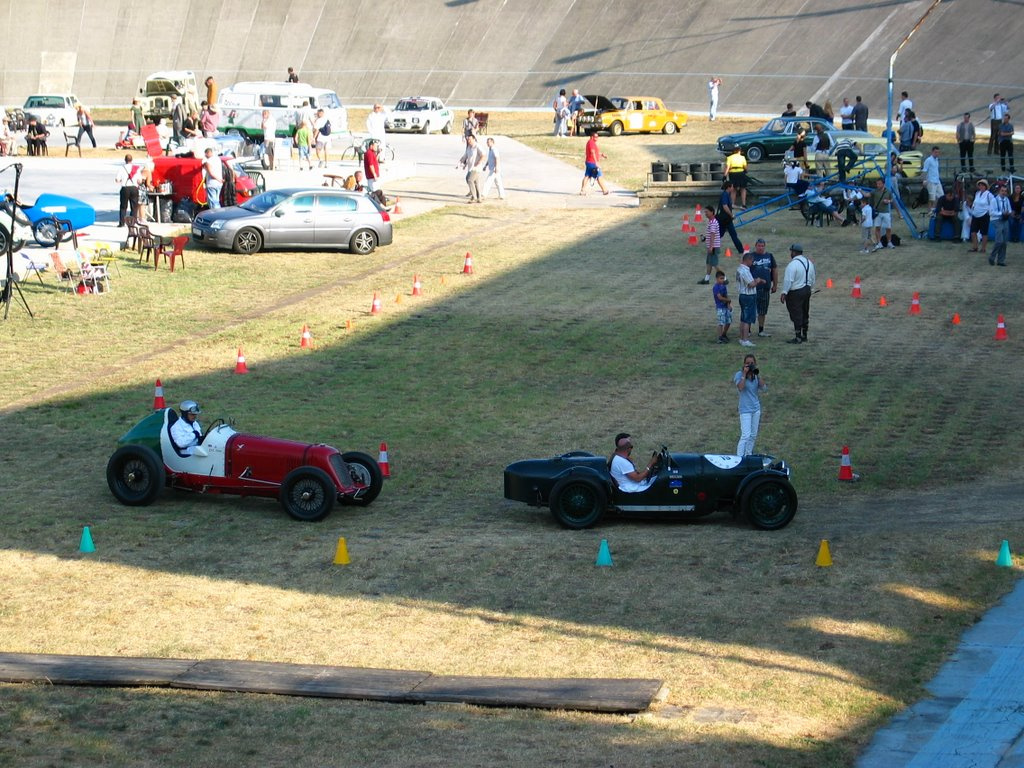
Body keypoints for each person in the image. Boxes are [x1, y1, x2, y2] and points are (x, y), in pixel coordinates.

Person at [779, 243, 815, 344]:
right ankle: (804, 335)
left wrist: (784, 292)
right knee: (805, 312)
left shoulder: (792, 264)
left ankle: (798, 337)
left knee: (796, 314)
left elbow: (788, 280)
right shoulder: (809, 263)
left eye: (791, 251)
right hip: (807, 290)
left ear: (794, 252)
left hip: (796, 292)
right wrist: (810, 288)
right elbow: (812, 278)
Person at [734, 354, 767, 456]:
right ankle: (739, 458)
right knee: (745, 435)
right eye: (747, 363)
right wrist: (744, 375)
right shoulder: (739, 375)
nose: (750, 365)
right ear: (744, 364)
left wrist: (757, 375)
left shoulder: (755, 376)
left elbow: (764, 388)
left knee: (753, 435)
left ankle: (748, 454)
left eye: (752, 363)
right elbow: (740, 387)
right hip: (745, 410)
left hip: (756, 409)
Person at [736, 251, 765, 347]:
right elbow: (751, 284)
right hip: (748, 296)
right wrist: (758, 280)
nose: (752, 263)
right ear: (747, 260)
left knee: (743, 318)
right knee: (747, 319)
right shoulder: (745, 270)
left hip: (742, 295)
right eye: (751, 261)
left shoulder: (739, 269)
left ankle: (741, 338)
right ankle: (745, 339)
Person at [749, 239, 777, 337]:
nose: (760, 248)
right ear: (755, 246)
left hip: (765, 288)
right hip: (752, 289)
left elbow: (774, 270)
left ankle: (761, 330)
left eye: (762, 246)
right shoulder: (751, 256)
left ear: (765, 246)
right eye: (759, 246)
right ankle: (747, 329)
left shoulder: (769, 256)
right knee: (751, 309)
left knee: (763, 310)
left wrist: (775, 284)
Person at [579, 131, 610, 196]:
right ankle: (604, 190)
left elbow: (595, 152)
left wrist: (601, 155)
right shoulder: (591, 143)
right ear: (591, 137)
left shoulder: (590, 142)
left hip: (589, 162)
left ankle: (582, 190)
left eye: (597, 137)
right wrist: (596, 162)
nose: (597, 138)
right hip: (592, 163)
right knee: (599, 176)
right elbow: (592, 152)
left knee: (587, 176)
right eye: (595, 137)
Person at [717, 181, 744, 253]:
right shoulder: (725, 195)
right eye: (732, 186)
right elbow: (725, 206)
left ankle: (711, 244)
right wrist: (731, 215)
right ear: (728, 187)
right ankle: (741, 250)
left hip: (723, 218)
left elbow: (730, 205)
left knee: (720, 234)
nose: (733, 188)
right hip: (725, 219)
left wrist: (739, 208)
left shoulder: (726, 195)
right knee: (733, 235)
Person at [969, 178, 995, 254]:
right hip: (975, 214)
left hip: (984, 215)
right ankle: (975, 246)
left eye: (982, 185)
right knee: (973, 232)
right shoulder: (977, 193)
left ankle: (983, 248)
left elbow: (993, 204)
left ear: (985, 186)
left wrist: (989, 212)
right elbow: (975, 203)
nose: (981, 186)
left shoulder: (989, 195)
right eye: (980, 185)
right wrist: (973, 209)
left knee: (984, 233)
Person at [115, 154, 141, 227]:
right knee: (134, 206)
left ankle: (122, 223)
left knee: (123, 206)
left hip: (125, 188)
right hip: (134, 188)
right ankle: (132, 222)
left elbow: (117, 180)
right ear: (131, 160)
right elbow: (139, 181)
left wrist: (120, 180)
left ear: (125, 160)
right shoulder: (136, 168)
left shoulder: (122, 168)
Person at [990, 183, 1012, 266]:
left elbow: (1009, 210)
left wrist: (1008, 213)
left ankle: (1001, 260)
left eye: (1005, 191)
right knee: (999, 241)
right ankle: (992, 257)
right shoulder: (994, 200)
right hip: (996, 220)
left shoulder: (1006, 200)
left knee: (1004, 242)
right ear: (999, 191)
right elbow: (991, 213)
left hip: (1005, 219)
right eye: (1002, 191)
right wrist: (1001, 213)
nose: (1004, 192)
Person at [458, 135, 485, 202]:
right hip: (470, 168)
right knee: (475, 182)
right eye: (468, 140)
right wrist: (460, 163)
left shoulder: (477, 146)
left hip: (476, 168)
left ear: (474, 139)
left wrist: (479, 162)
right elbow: (465, 156)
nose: (468, 141)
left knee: (469, 180)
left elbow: (483, 155)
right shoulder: (469, 147)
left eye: (470, 139)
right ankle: (479, 197)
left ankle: (474, 196)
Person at [699, 204, 721, 284]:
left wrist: (711, 247)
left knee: (715, 264)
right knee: (709, 263)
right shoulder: (711, 222)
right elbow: (711, 235)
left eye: (707, 212)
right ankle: (706, 279)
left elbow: (712, 235)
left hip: (713, 246)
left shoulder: (713, 223)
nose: (705, 214)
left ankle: (724, 278)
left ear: (712, 212)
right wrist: (705, 239)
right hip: (712, 246)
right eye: (705, 212)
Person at [871, 177, 893, 250]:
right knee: (877, 228)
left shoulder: (888, 191)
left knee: (888, 228)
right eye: (877, 184)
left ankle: (889, 242)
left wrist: (888, 201)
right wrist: (860, 191)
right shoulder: (874, 191)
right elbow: (867, 195)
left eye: (879, 184)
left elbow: (892, 199)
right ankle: (879, 242)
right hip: (878, 212)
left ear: (883, 184)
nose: (878, 185)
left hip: (886, 212)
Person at [713, 269, 732, 343]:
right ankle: (720, 337)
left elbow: (726, 295)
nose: (722, 280)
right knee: (721, 322)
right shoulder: (716, 287)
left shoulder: (723, 286)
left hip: (725, 306)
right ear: (717, 278)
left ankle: (724, 334)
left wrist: (728, 304)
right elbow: (720, 297)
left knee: (728, 321)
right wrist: (728, 300)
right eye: (721, 278)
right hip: (720, 307)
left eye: (723, 278)